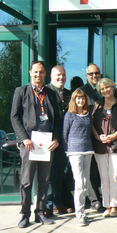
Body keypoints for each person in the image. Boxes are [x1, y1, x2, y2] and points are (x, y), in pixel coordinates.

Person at [11, 60, 61, 228]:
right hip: (29, 143)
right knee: (26, 181)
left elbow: (59, 119)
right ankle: (25, 214)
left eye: (41, 72)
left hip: (47, 142)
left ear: (45, 73)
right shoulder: (21, 91)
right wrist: (24, 138)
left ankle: (40, 212)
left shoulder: (52, 93)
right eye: (35, 72)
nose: (38, 75)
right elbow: (14, 117)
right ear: (30, 73)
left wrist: (56, 139)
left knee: (44, 180)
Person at [91, 78, 117, 218]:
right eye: (102, 89)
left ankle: (114, 205)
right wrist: (98, 137)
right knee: (104, 177)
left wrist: (113, 136)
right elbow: (91, 124)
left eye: (107, 87)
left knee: (114, 176)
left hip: (116, 144)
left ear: (112, 88)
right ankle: (106, 205)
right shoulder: (97, 104)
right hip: (100, 144)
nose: (105, 90)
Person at [63, 89, 95, 226]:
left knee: (85, 181)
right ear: (74, 100)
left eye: (83, 98)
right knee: (79, 183)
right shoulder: (69, 115)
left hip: (88, 150)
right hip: (74, 152)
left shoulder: (88, 115)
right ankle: (79, 215)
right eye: (78, 98)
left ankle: (83, 212)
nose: (80, 101)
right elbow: (65, 135)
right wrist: (68, 151)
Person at [45, 65, 73, 217]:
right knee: (46, 173)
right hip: (47, 140)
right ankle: (46, 205)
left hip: (64, 140)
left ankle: (57, 203)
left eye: (63, 75)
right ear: (51, 76)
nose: (61, 77)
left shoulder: (69, 94)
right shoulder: (45, 91)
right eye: (58, 75)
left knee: (58, 173)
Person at [79, 64, 102, 211]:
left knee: (106, 170)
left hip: (107, 136)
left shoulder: (105, 88)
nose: (94, 76)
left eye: (97, 73)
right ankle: (95, 200)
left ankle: (108, 198)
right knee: (92, 171)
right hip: (90, 137)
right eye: (91, 74)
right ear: (86, 76)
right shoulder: (81, 92)